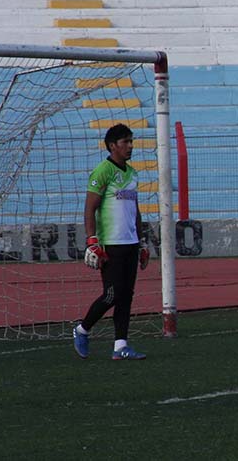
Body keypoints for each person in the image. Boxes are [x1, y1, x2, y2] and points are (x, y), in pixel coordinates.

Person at [73, 123, 150, 360]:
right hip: (110, 244)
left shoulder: (132, 173)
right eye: (125, 142)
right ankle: (81, 329)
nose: (130, 146)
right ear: (112, 145)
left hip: (130, 242)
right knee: (112, 295)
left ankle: (120, 346)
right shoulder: (102, 172)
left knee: (126, 295)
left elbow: (135, 211)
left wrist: (142, 241)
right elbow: (90, 209)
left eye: (131, 141)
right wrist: (92, 241)